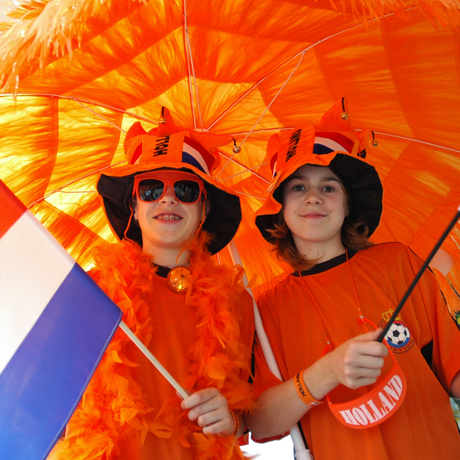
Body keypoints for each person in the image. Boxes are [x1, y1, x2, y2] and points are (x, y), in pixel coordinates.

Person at [246, 99, 460, 459]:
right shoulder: (264, 307)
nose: (313, 197)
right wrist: (325, 372)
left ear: (348, 204)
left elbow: (452, 366)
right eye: (298, 187)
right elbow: (260, 423)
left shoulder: (397, 262)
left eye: (329, 187)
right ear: (279, 208)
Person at [48, 108, 255, 460]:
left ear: (204, 209)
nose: (168, 198)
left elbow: (249, 412)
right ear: (133, 205)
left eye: (186, 189)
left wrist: (233, 419)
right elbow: (51, 407)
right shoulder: (90, 293)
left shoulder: (239, 303)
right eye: (152, 188)